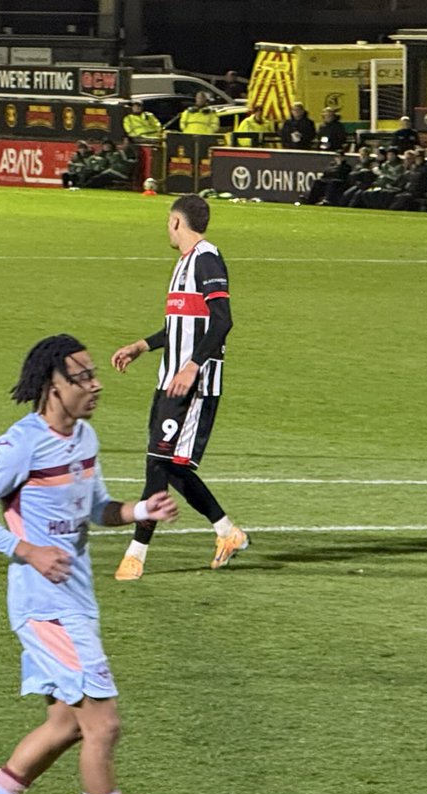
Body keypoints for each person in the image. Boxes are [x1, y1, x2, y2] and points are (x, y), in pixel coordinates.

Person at [0, 334, 177, 794]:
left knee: (66, 725)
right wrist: (25, 549)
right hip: (44, 608)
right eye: (83, 377)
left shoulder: (85, 436)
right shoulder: (22, 444)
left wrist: (139, 509)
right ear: (54, 386)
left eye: (94, 374)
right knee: (104, 723)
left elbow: (96, 508)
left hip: (78, 600)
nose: (96, 384)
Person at [110, 195, 248, 580]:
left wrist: (192, 366)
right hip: (170, 380)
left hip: (192, 385)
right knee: (171, 467)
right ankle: (227, 532)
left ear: (176, 222)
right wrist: (142, 345)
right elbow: (180, 327)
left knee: (158, 463)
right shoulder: (184, 264)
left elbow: (222, 321)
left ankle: (136, 555)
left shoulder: (206, 259)